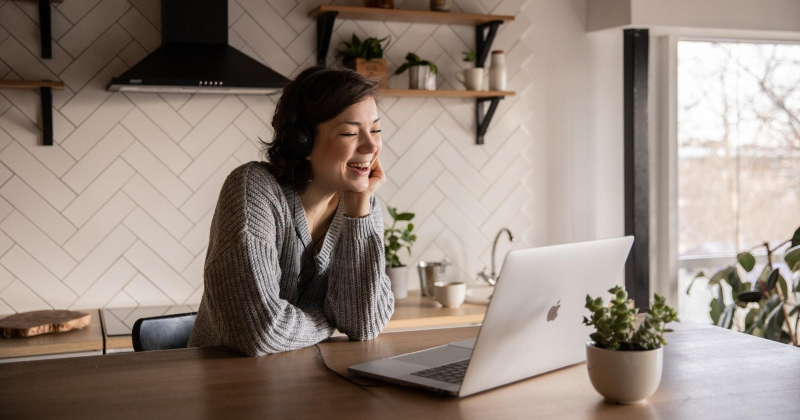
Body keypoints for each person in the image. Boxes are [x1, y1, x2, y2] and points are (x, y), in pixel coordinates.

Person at [187, 66, 395, 356]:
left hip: (306, 385)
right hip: (227, 387)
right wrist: (327, 319)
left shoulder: (362, 206)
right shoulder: (253, 189)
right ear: (301, 141)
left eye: (375, 129)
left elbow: (363, 325)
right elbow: (260, 331)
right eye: (350, 132)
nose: (371, 146)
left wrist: (359, 212)